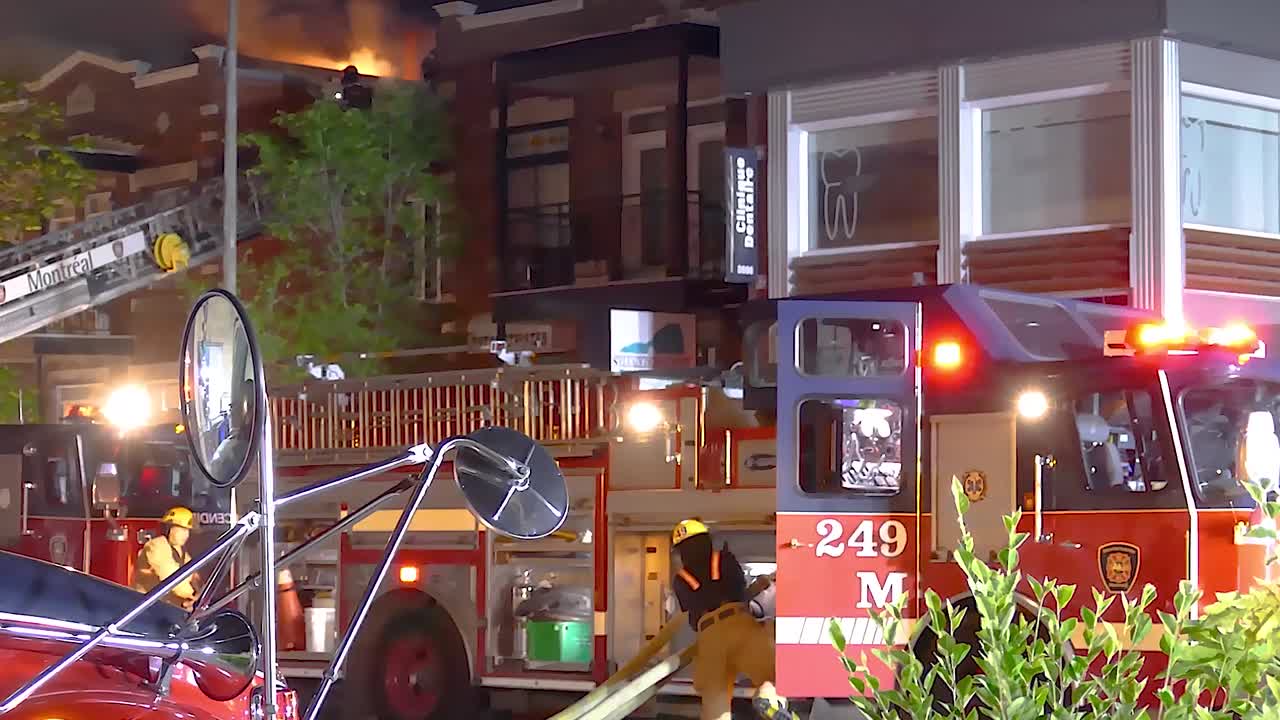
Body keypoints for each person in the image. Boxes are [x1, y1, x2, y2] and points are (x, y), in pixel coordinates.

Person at [670, 519, 795, 720]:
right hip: (739, 624)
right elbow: (739, 594)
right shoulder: (724, 559)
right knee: (775, 675)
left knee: (715, 702)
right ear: (707, 540)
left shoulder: (680, 578)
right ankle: (767, 698)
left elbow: (693, 616)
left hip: (709, 636)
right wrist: (763, 583)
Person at [132, 506, 200, 610]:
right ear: (169, 529)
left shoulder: (179, 550)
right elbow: (171, 577)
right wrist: (192, 597)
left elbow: (192, 573)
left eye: (187, 531)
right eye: (181, 530)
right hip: (147, 606)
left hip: (166, 606)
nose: (185, 535)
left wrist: (201, 592)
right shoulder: (156, 546)